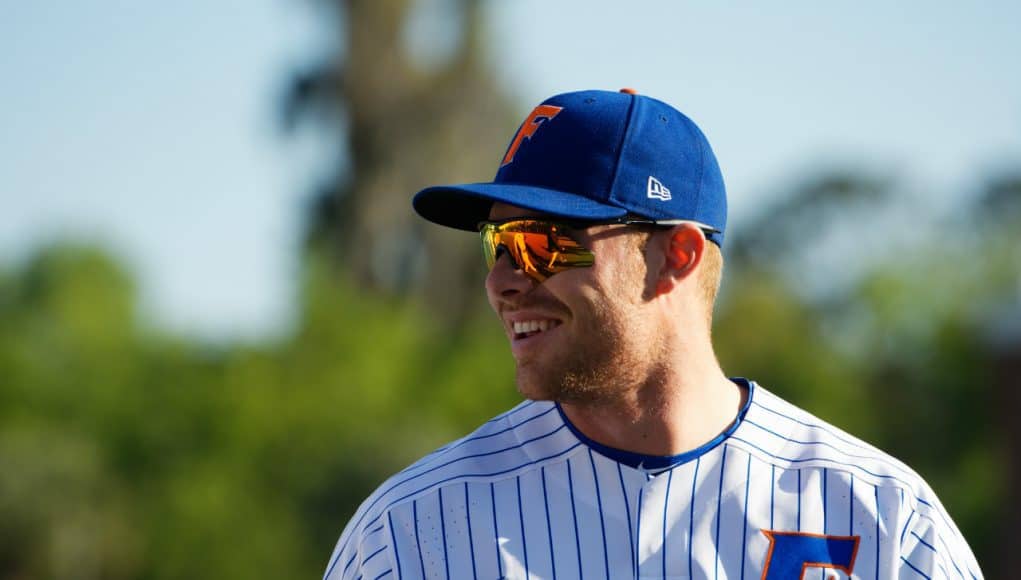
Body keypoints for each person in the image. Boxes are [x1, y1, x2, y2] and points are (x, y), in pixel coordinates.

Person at [323, 89, 982, 579]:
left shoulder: (881, 516)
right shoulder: (413, 531)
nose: (502, 282)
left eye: (540, 246)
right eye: (498, 245)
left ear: (678, 256)